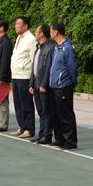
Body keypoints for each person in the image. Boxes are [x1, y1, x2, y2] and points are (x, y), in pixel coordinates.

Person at [48, 22, 78, 150]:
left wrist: (71, 83)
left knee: (66, 115)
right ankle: (60, 139)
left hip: (64, 86)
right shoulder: (57, 48)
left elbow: (72, 68)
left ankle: (70, 141)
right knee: (56, 114)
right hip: (54, 86)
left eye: (51, 31)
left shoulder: (68, 48)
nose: (50, 33)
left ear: (56, 32)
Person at [10, 16, 37, 138]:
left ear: (25, 26)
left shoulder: (31, 39)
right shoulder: (19, 38)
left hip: (25, 76)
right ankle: (22, 126)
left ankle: (29, 129)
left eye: (18, 23)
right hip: (16, 75)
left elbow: (33, 59)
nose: (16, 26)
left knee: (26, 104)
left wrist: (32, 79)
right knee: (18, 104)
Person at [29, 24, 54, 144]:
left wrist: (44, 84)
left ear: (42, 34)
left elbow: (48, 68)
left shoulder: (50, 48)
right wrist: (31, 83)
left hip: (43, 85)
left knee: (46, 111)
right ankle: (41, 134)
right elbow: (34, 67)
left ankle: (47, 135)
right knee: (40, 111)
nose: (35, 33)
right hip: (36, 83)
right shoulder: (38, 48)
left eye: (36, 31)